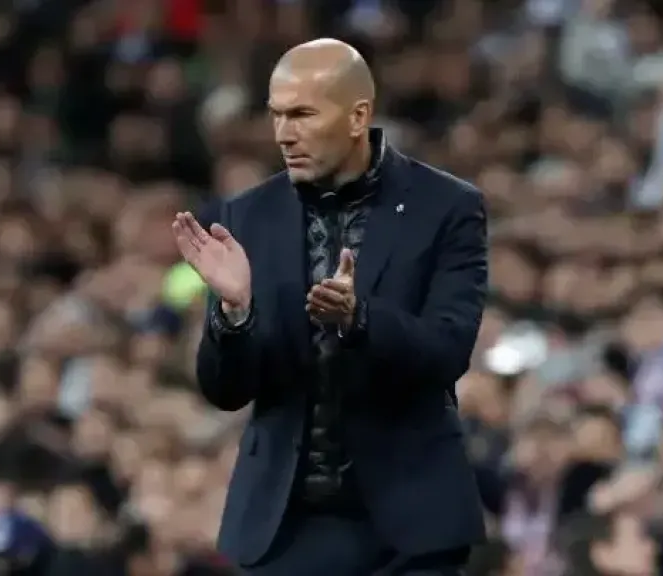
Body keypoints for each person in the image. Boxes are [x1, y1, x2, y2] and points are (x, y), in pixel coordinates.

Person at [172, 39, 488, 575]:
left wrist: (359, 319)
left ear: (358, 116)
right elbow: (225, 392)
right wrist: (235, 313)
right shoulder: (248, 215)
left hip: (412, 525)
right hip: (289, 526)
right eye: (276, 115)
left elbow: (448, 350)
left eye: (302, 114)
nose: (283, 134)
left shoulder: (446, 207)